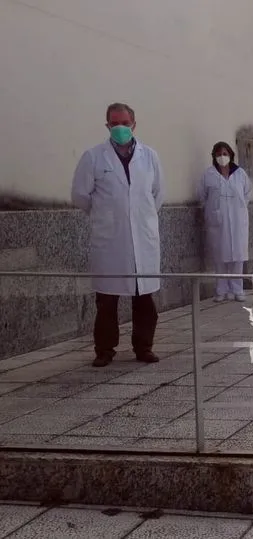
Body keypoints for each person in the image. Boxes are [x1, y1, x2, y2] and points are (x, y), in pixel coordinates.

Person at [71, 103, 163, 367]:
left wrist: (138, 218)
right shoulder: (94, 157)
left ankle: (144, 347)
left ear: (134, 123)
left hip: (142, 239)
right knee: (107, 299)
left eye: (124, 122)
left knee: (144, 298)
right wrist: (107, 216)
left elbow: (157, 194)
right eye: (114, 123)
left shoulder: (150, 156)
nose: (120, 128)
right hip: (110, 239)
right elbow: (80, 195)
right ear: (107, 126)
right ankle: (105, 350)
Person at [197, 141, 251, 302]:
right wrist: (212, 211)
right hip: (218, 222)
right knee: (220, 256)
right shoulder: (209, 174)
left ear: (231, 155)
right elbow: (202, 195)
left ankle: (237, 289)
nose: (222, 157)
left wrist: (238, 209)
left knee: (237, 257)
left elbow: (247, 192)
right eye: (219, 154)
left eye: (225, 154)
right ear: (214, 156)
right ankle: (221, 290)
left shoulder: (240, 174)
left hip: (237, 220)